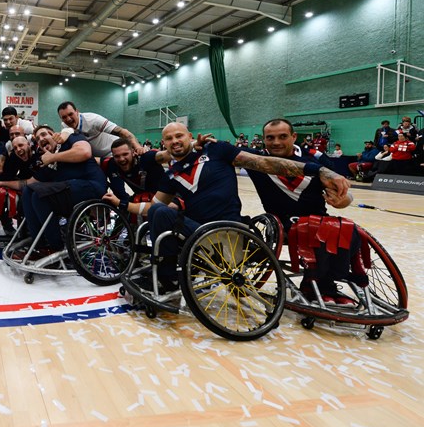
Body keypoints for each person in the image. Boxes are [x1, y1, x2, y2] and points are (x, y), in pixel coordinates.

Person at [101, 122, 348, 289]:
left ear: (189, 137)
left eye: (179, 136)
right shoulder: (172, 175)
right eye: (169, 138)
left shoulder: (218, 150)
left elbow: (266, 163)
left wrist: (320, 170)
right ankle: (167, 277)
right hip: (198, 233)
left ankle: (166, 276)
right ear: (163, 144)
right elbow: (151, 206)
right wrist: (121, 203)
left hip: (229, 230)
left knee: (160, 211)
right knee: (158, 210)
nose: (175, 141)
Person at [244, 119, 355, 304]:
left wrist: (342, 201)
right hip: (279, 222)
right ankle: (314, 285)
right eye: (270, 138)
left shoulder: (316, 161)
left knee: (348, 231)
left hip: (318, 218)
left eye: (283, 137)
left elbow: (347, 197)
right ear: (263, 140)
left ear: (294, 137)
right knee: (312, 231)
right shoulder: (255, 160)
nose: (276, 142)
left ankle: (329, 283)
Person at [20, 125, 107, 252]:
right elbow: (30, 182)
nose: (41, 139)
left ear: (54, 134)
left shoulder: (71, 138)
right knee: (28, 191)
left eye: (44, 134)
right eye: (38, 138)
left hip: (91, 186)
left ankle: (56, 247)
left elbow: (85, 152)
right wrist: (0, 183)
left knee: (40, 196)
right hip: (70, 190)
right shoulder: (48, 161)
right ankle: (39, 245)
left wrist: (53, 157)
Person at [57, 101, 143, 158]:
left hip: (112, 154)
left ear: (77, 111)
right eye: (64, 117)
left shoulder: (93, 120)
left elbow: (123, 132)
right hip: (96, 159)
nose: (68, 119)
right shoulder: (65, 126)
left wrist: (137, 146)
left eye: (70, 114)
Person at [102, 137, 168, 210]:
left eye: (125, 154)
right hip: (139, 200)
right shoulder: (112, 163)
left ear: (133, 152)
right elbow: (92, 160)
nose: (121, 159)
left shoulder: (146, 158)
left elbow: (168, 155)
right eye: (117, 156)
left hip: (166, 198)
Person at [0, 136, 37, 233]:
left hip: (38, 188)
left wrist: (3, 183)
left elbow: (32, 182)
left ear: (28, 144)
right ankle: (7, 225)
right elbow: (6, 175)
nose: (18, 150)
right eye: (15, 148)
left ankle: (28, 230)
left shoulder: (39, 155)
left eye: (20, 145)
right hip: (22, 188)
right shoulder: (14, 157)